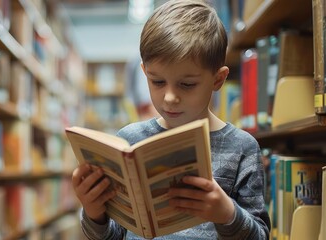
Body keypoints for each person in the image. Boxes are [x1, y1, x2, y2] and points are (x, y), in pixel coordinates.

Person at [71, 0, 271, 239]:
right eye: (157, 82)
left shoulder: (242, 148)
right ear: (145, 72)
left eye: (187, 84)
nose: (169, 97)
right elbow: (115, 236)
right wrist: (94, 214)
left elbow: (260, 235)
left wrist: (228, 214)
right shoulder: (128, 141)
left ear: (218, 80)